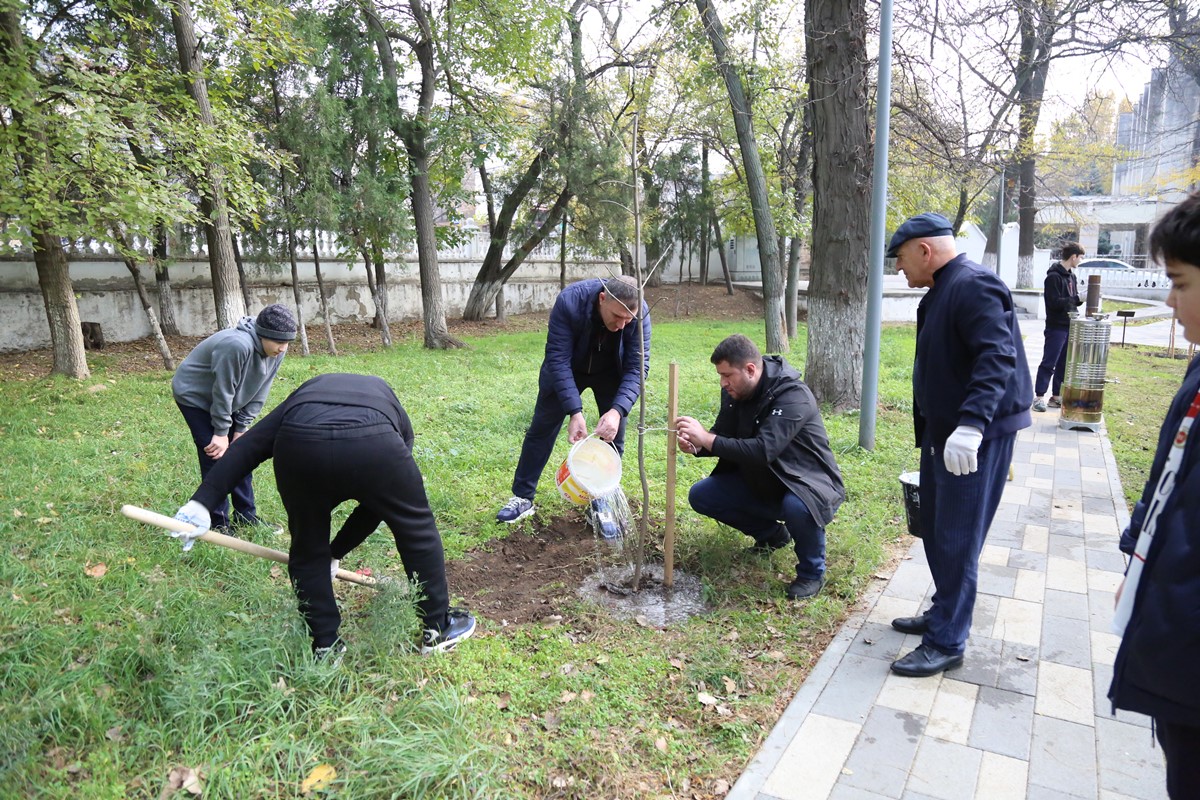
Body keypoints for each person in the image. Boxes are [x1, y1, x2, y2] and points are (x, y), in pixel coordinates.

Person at [174, 373, 475, 662]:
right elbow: (375, 509)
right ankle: (437, 629)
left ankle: (325, 646)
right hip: (375, 445)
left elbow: (248, 447)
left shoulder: (302, 396)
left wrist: (202, 502)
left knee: (307, 548)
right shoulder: (391, 409)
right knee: (416, 530)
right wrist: (337, 551)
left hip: (301, 446)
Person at [886, 212, 1032, 677]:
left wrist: (971, 426)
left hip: (974, 437)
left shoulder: (973, 285)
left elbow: (997, 356)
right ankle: (943, 609)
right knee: (935, 526)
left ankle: (947, 641)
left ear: (924, 250)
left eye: (901, 258)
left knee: (957, 537)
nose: (899, 268)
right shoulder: (943, 289)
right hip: (945, 432)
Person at [1108, 193, 1200, 799]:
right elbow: (1170, 478)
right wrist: (1140, 564)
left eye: (1181, 283)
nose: (1169, 302)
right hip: (1174, 637)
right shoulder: (1199, 372)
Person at [675, 334, 845, 600]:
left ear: (750, 369)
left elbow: (764, 450)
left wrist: (707, 439)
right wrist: (698, 446)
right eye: (720, 376)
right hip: (762, 479)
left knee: (797, 506)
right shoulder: (735, 392)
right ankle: (773, 535)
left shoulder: (793, 395)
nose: (723, 383)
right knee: (702, 495)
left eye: (727, 375)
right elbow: (723, 434)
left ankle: (812, 572)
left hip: (807, 482)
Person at [495, 275, 651, 531]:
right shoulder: (570, 301)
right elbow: (557, 358)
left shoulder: (640, 312)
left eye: (628, 319)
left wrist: (617, 411)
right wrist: (574, 411)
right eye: (617, 316)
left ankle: (600, 501)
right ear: (602, 298)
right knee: (541, 429)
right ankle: (523, 497)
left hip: (612, 371)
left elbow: (637, 367)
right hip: (568, 369)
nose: (622, 325)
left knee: (613, 436)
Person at [172, 304, 296, 532]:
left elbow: (261, 388)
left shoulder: (277, 350)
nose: (283, 348)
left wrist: (241, 427)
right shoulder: (236, 345)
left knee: (241, 453)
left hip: (228, 398)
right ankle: (218, 522)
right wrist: (221, 432)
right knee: (215, 455)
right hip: (196, 396)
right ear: (263, 334)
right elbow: (222, 391)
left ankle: (246, 516)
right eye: (279, 341)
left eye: (287, 342)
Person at [1032, 242, 1085, 412]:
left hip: (1069, 325)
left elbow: (1071, 301)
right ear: (1073, 256)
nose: (1080, 261)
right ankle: (1039, 397)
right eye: (1080, 257)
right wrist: (1076, 299)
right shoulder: (1053, 277)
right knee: (1049, 362)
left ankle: (1056, 397)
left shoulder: (1072, 277)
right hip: (1056, 327)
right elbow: (1054, 303)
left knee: (1063, 364)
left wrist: (1080, 300)